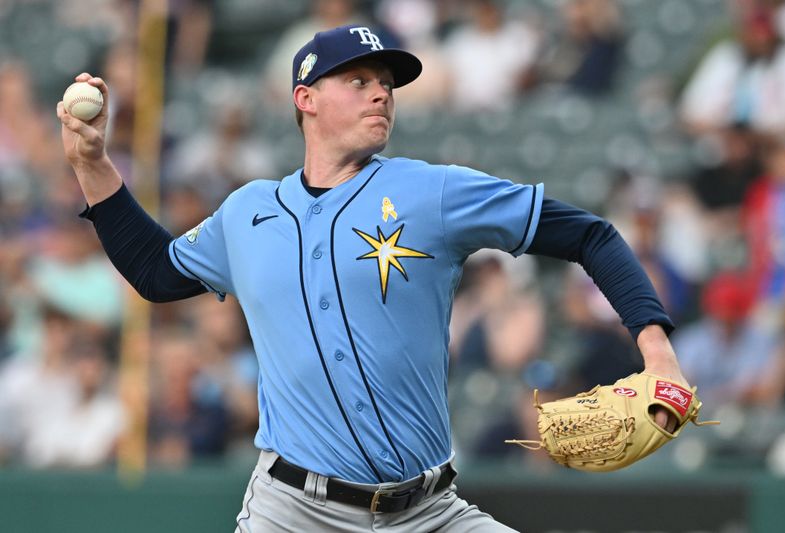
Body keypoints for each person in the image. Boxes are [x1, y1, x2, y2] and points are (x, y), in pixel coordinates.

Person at [59, 24, 693, 533]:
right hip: (293, 512)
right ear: (305, 99)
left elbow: (590, 235)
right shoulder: (246, 213)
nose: (380, 93)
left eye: (386, 82)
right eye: (358, 80)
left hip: (430, 511)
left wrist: (657, 349)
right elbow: (154, 273)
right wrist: (92, 162)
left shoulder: (432, 192)